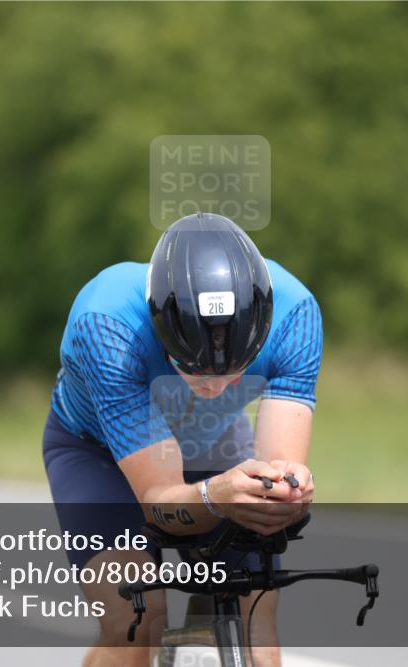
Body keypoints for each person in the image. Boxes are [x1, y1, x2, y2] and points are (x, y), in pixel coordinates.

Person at [43, 212, 322, 666]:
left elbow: (278, 470)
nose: (216, 387)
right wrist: (216, 497)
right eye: (191, 369)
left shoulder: (296, 315)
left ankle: (205, 636)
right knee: (136, 621)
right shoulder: (107, 324)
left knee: (254, 617)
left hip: (215, 443)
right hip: (98, 454)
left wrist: (285, 494)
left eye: (237, 371)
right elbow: (159, 500)